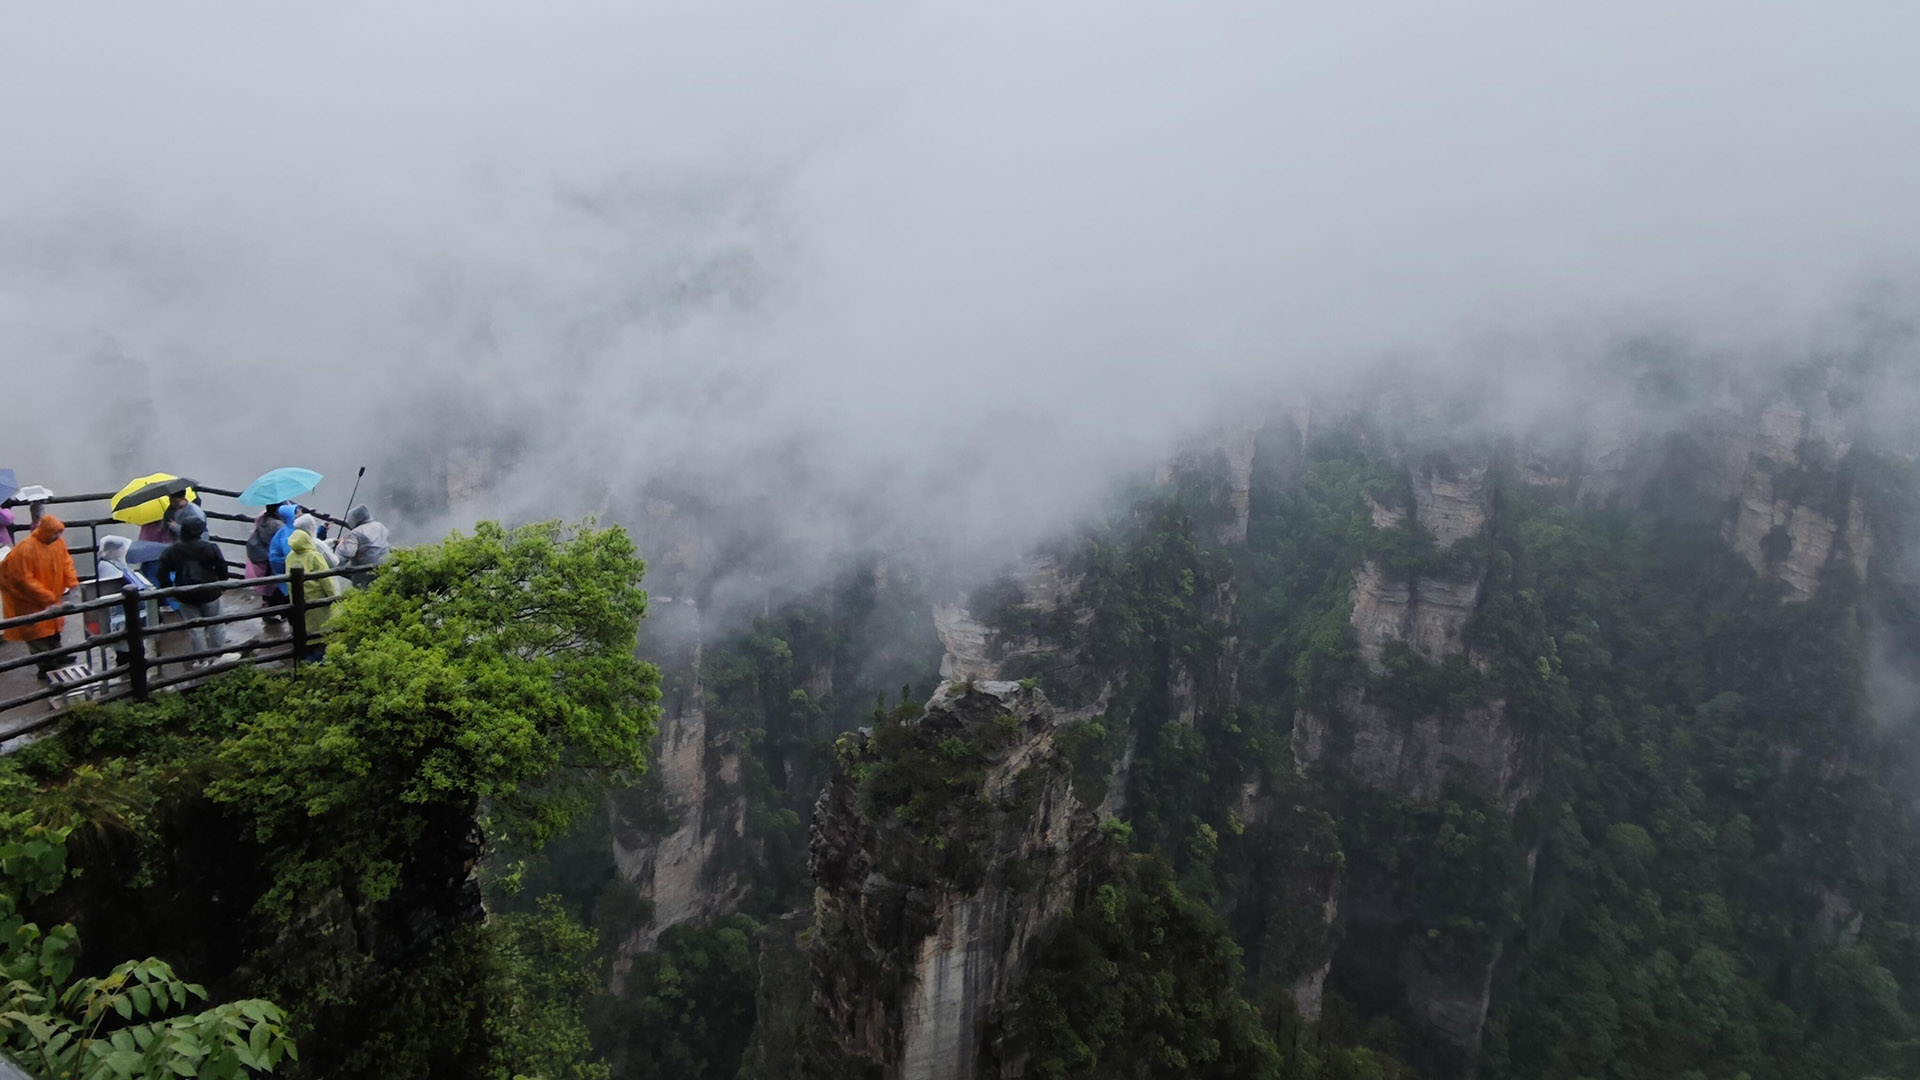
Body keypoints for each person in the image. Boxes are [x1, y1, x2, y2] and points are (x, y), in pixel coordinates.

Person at [0, 516, 81, 679]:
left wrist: (72, 581)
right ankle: (45, 666)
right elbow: (22, 580)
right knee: (36, 633)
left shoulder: (57, 543)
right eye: (55, 533)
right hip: (27, 600)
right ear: (46, 532)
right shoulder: (25, 549)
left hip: (50, 596)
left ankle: (58, 656)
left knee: (53, 629)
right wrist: (47, 596)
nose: (58, 536)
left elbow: (66, 562)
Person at [157, 516, 231, 664]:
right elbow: (222, 567)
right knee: (216, 624)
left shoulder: (172, 551)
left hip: (185, 594)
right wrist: (222, 583)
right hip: (210, 591)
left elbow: (162, 574)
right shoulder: (210, 547)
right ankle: (218, 655)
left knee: (195, 629)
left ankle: (202, 660)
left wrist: (170, 591)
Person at [285, 529, 338, 660]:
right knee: (321, 634)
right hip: (318, 602)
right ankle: (320, 664)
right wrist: (334, 597)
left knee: (306, 633)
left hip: (299, 601)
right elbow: (327, 580)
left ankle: (307, 662)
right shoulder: (314, 556)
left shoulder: (290, 556)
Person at [333, 504, 391, 586]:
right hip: (385, 570)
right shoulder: (380, 526)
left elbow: (342, 557)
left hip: (366, 577)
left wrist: (341, 544)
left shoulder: (355, 533)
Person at [246, 503, 287, 620]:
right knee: (277, 585)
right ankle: (271, 611)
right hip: (271, 556)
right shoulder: (278, 526)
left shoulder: (262, 519)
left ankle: (267, 605)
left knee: (268, 584)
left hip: (261, 554)